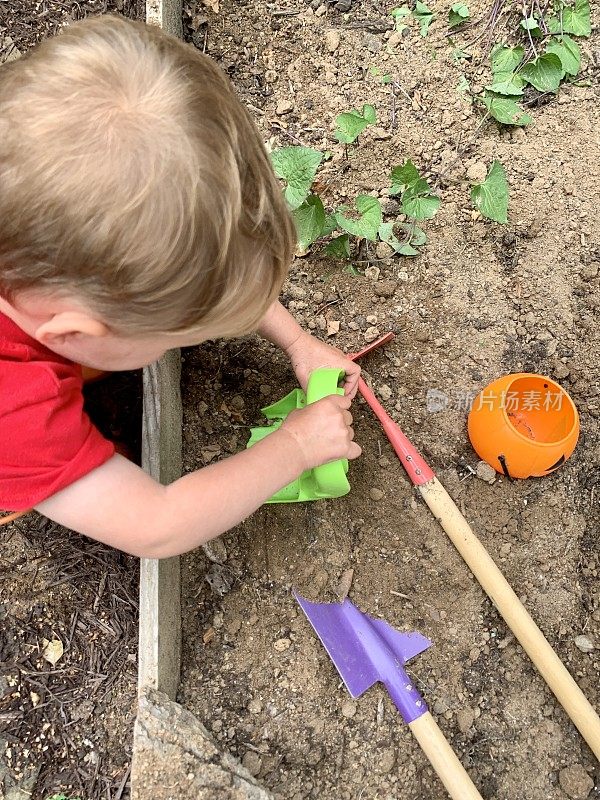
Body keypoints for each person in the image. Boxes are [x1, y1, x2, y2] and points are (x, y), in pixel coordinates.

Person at [0, 15, 361, 557]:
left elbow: (207, 267)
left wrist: (298, 340)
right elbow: (156, 525)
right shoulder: (17, 410)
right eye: (176, 336)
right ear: (72, 332)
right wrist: (294, 446)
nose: (184, 344)